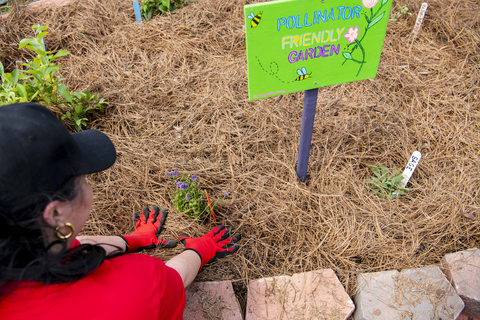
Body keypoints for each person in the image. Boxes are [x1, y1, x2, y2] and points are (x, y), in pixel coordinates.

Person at [0, 102, 240, 320]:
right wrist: (199, 250)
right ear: (55, 214)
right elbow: (172, 281)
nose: (86, 183)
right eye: (82, 178)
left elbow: (75, 246)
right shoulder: (131, 291)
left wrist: (133, 240)